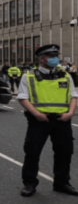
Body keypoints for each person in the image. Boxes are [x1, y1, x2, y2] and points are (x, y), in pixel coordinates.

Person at [17, 44, 78, 197]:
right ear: (41, 58)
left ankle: (62, 183)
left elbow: (73, 96)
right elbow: (23, 98)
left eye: (56, 55)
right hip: (39, 120)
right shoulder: (29, 76)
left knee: (65, 153)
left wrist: (70, 113)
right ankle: (30, 183)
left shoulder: (65, 75)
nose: (55, 59)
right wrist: (37, 114)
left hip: (62, 120)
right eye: (51, 56)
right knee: (32, 152)